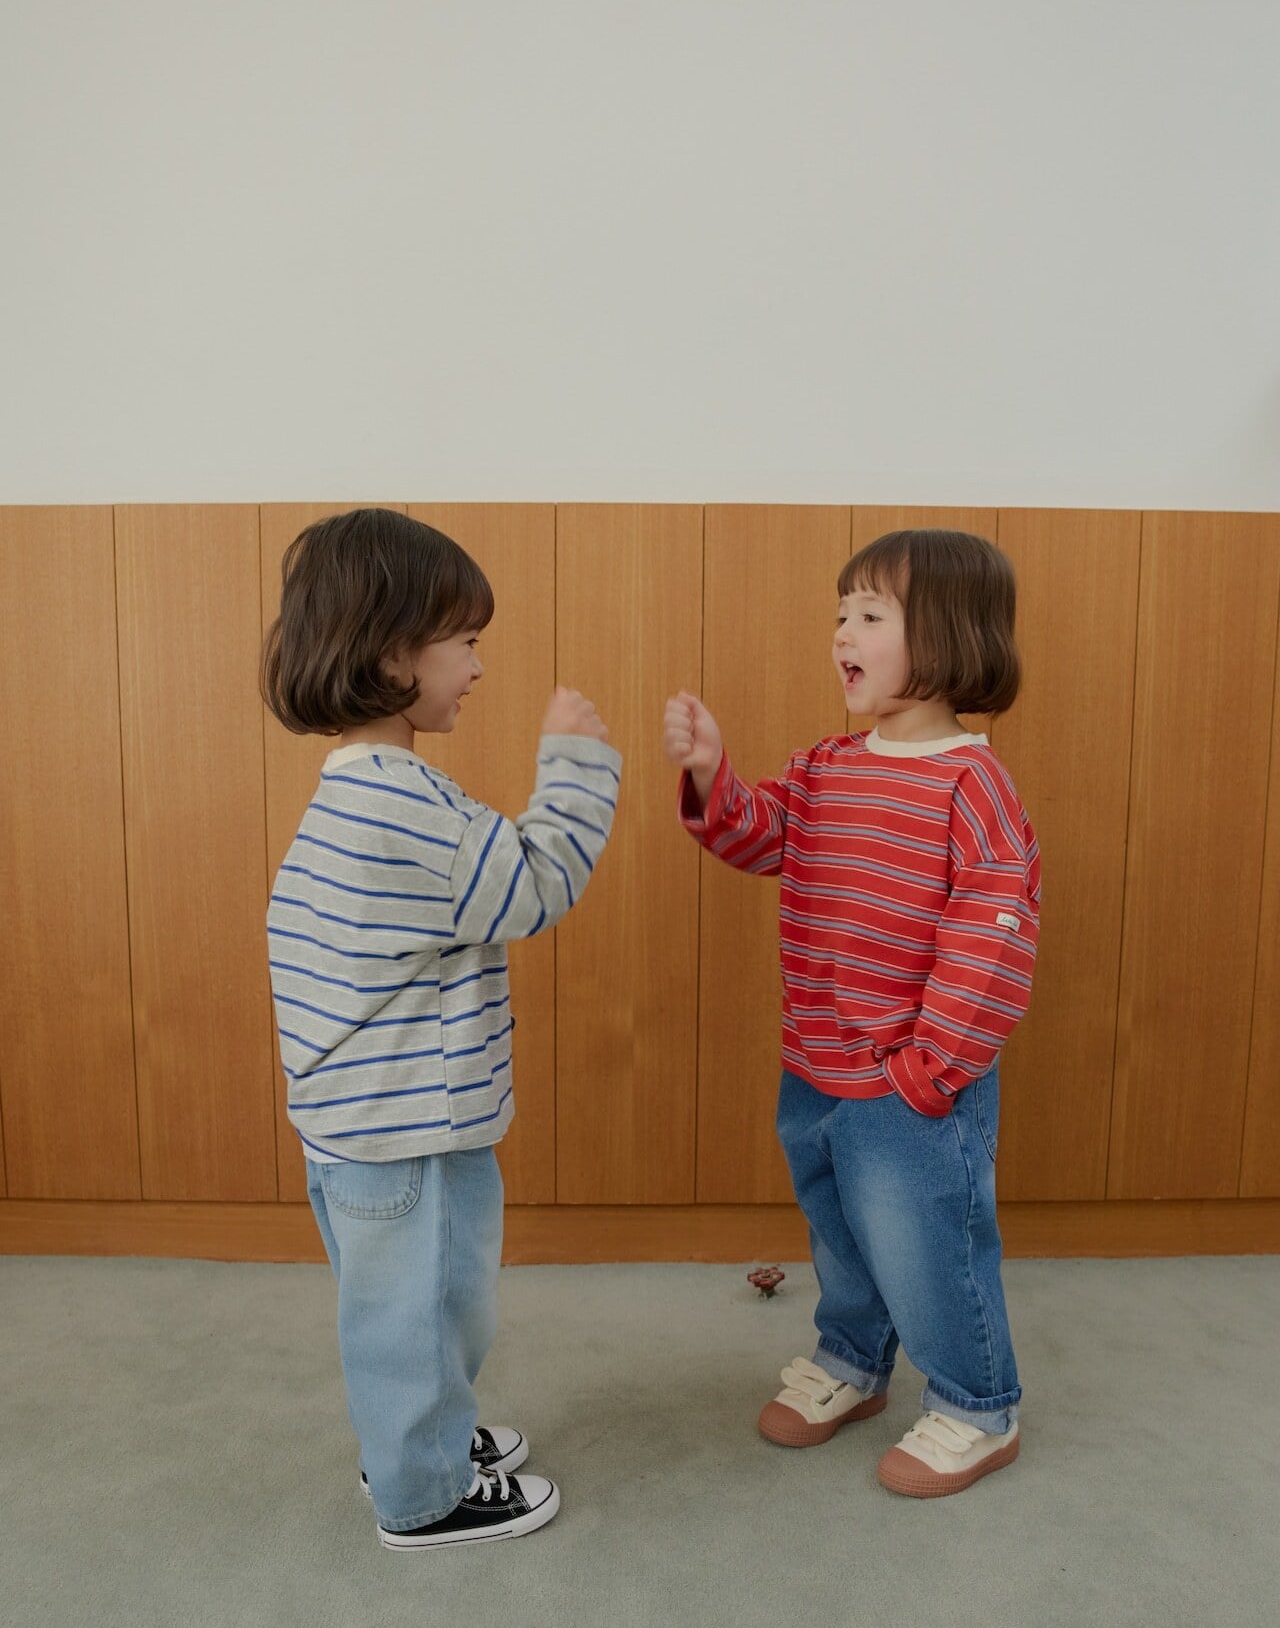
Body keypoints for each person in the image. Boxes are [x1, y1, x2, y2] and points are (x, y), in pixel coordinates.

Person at [260, 508, 621, 1547]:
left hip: (382, 1123)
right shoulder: (397, 803)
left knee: (428, 1305)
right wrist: (576, 768)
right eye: (463, 641)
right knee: (414, 1315)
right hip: (400, 1131)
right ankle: (422, 1496)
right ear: (391, 656)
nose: (477, 667)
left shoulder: (367, 792)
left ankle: (419, 1439)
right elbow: (531, 887)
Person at [663, 528, 1041, 1497]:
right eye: (841, 614)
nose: (842, 633)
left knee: (926, 1245)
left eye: (870, 615)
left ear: (948, 636)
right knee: (838, 1230)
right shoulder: (826, 767)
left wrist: (930, 1069)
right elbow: (761, 836)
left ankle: (977, 1405)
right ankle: (852, 1360)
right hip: (816, 1064)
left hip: (914, 1082)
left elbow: (991, 939)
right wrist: (710, 773)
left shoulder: (972, 786)